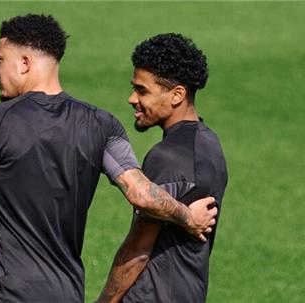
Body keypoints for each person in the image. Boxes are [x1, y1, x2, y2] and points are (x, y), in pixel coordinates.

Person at [0, 15, 217, 303]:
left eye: (0, 59)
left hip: (10, 294)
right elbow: (141, 193)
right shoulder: (102, 124)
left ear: (25, 63)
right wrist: (187, 216)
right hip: (68, 294)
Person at [97, 33, 228, 303]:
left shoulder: (167, 157)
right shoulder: (210, 143)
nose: (132, 99)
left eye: (142, 90)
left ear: (177, 94)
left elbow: (138, 249)